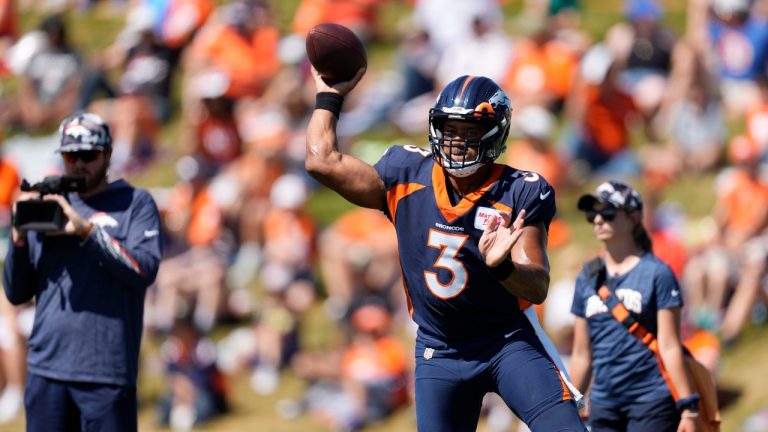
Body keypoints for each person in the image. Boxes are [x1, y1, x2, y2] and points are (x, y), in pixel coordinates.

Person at [305, 69, 585, 431]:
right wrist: (329, 97)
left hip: (506, 341)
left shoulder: (519, 191)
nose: (456, 141)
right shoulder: (406, 173)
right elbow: (320, 161)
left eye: (469, 132)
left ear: (494, 133)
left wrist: (502, 268)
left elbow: (537, 286)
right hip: (440, 349)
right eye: (449, 129)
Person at [2, 112, 163, 431]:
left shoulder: (135, 204)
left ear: (107, 154)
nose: (78, 164)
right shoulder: (50, 203)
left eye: (87, 155)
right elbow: (17, 292)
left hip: (106, 372)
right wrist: (19, 242)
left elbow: (143, 268)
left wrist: (85, 231)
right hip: (47, 370)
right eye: (70, 155)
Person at [569, 180, 700, 432]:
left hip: (651, 400)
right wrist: (569, 407)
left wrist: (689, 408)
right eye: (591, 213)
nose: (597, 220)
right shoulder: (586, 278)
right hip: (604, 404)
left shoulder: (657, 274)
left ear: (633, 217)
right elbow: (581, 354)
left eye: (607, 212)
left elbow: (670, 345)